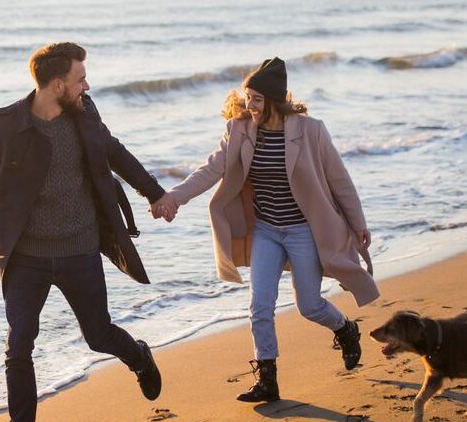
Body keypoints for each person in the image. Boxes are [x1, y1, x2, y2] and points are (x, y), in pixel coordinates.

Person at [0, 42, 167, 422]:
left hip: (79, 248)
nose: (86, 85)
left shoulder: (84, 115)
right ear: (55, 85)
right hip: (25, 256)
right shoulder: (2, 126)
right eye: (79, 79)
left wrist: (156, 195)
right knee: (19, 345)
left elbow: (117, 153)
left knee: (99, 334)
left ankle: (139, 356)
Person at [150, 57, 378, 402]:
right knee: (260, 305)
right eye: (247, 97)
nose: (249, 105)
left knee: (310, 306)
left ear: (274, 100)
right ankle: (267, 380)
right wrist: (173, 198)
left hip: (303, 231)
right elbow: (210, 170)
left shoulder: (310, 130)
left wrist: (358, 222)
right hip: (266, 230)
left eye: (257, 99)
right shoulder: (239, 129)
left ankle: (346, 329)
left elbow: (338, 180)